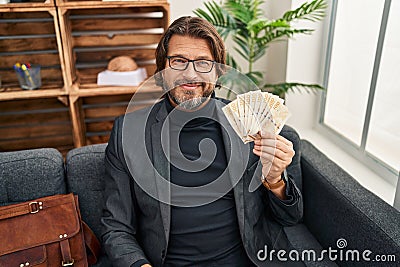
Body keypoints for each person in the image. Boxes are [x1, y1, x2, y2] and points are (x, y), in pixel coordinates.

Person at [101, 16, 303, 267]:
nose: (190, 73)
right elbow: (116, 228)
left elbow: (290, 218)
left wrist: (275, 181)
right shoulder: (127, 133)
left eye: (203, 63)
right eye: (178, 61)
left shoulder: (253, 124)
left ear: (218, 70)